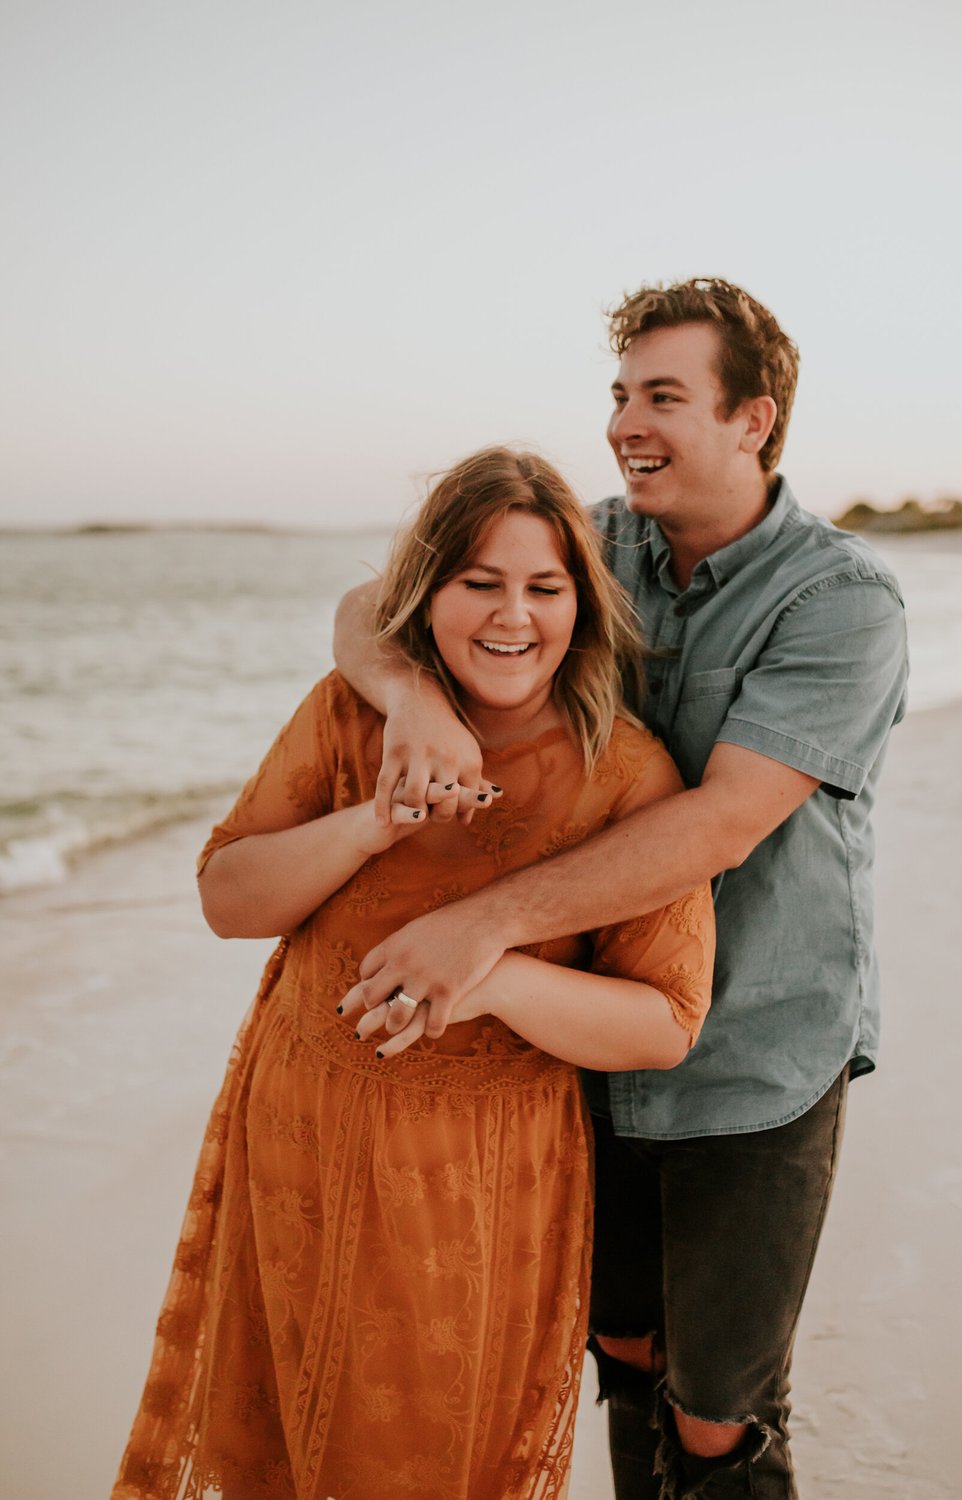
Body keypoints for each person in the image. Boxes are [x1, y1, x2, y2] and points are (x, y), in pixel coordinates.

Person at [333, 279, 909, 1499]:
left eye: (662, 396)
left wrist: (482, 928)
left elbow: (722, 821)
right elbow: (366, 611)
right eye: (618, 395)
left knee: (718, 1412)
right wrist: (418, 704)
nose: (623, 423)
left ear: (753, 419)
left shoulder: (839, 600)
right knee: (623, 1352)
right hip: (592, 1037)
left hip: (759, 1049)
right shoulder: (592, 544)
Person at [111, 446, 715, 1500]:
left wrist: (494, 979)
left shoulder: (625, 773)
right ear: (427, 590)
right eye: (478, 582)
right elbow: (226, 899)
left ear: (580, 601)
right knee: (271, 1454)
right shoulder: (353, 716)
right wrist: (372, 826)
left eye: (543, 587)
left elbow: (665, 1022)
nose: (511, 616)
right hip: (296, 1138)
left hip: (477, 1188)